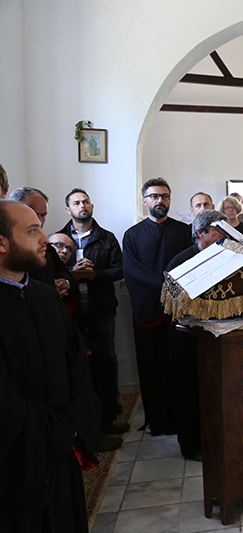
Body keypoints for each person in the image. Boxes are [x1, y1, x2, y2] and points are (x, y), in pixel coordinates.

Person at [0, 200, 101, 533]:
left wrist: (73, 419)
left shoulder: (44, 295)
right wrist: (49, 428)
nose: (45, 239)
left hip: (62, 445)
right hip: (19, 457)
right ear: (1, 243)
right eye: (32, 231)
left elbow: (77, 364)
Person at [122, 177, 193, 436]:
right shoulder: (132, 235)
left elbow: (190, 267)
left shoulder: (183, 232)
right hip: (148, 312)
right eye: (154, 196)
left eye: (164, 196)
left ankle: (181, 421)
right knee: (152, 369)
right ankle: (157, 420)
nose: (159, 200)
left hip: (177, 312)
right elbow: (132, 272)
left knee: (179, 369)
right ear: (145, 201)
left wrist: (173, 289)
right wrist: (165, 284)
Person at [59, 188, 126, 434]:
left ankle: (111, 407)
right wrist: (72, 274)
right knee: (77, 359)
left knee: (107, 356)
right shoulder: (58, 239)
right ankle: (86, 411)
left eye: (86, 201)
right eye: (76, 203)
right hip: (70, 311)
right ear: (68, 209)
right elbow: (52, 272)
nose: (82, 206)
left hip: (101, 308)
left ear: (92, 206)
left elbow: (120, 269)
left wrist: (94, 274)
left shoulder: (106, 238)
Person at [165, 209, 226, 460]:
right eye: (217, 230)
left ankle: (220, 441)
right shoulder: (180, 262)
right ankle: (193, 446)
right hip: (188, 340)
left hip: (219, 338)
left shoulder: (227, 258)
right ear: (200, 232)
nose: (223, 235)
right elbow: (170, 301)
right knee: (191, 394)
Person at [8, 187, 72, 297]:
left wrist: (63, 283)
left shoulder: (47, 246)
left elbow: (62, 271)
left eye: (43, 215)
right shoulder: (7, 248)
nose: (39, 220)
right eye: (33, 213)